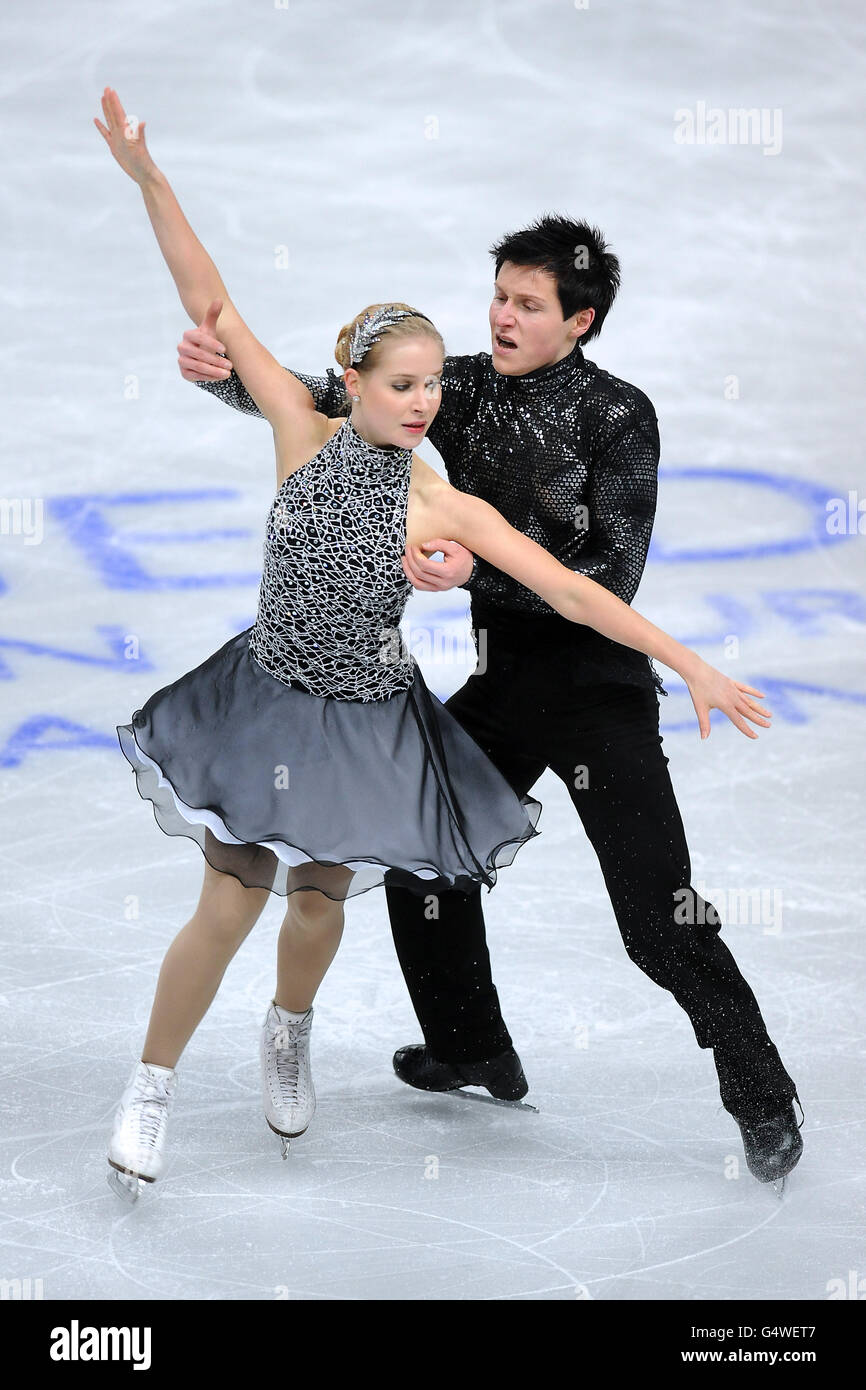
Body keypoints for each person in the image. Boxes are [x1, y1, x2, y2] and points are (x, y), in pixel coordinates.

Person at [94, 86, 786, 1201]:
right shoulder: (445, 386)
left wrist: (684, 658)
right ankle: (470, 1046)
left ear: (581, 321)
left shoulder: (615, 417)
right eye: (497, 297)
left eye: (527, 304)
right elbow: (314, 384)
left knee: (654, 920)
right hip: (482, 684)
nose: (501, 320)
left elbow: (589, 578)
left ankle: (761, 1093)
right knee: (414, 872)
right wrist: (207, 326)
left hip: (593, 688)